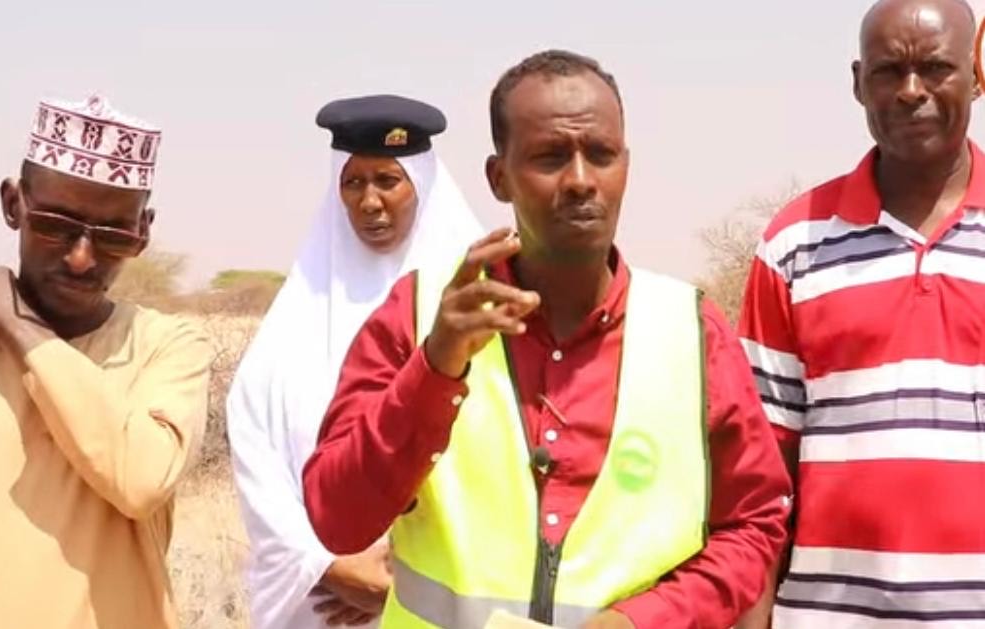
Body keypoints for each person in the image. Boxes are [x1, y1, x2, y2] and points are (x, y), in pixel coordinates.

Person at [303, 50, 791, 629]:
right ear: (498, 176)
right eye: (551, 157)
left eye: (601, 156)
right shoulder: (418, 316)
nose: (581, 181)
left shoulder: (692, 331)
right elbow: (337, 520)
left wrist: (641, 621)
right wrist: (435, 369)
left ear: (626, 167)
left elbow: (754, 524)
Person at [0, 95, 211, 629]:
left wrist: (16, 327)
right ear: (13, 205)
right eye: (56, 225)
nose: (81, 258)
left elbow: (140, 479)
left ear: (143, 232)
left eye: (113, 235)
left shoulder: (167, 348)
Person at [738, 0, 985, 626]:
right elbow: (762, 474)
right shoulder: (794, 243)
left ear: (978, 75)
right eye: (887, 72)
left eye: (935, 68)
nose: (910, 91)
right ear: (857, 82)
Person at [227, 94, 483, 628]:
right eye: (353, 182)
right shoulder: (297, 318)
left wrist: (402, 583)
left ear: (423, 184)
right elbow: (255, 446)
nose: (370, 202)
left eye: (387, 180)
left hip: (455, 598)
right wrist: (325, 566)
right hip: (320, 607)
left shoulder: (478, 304)